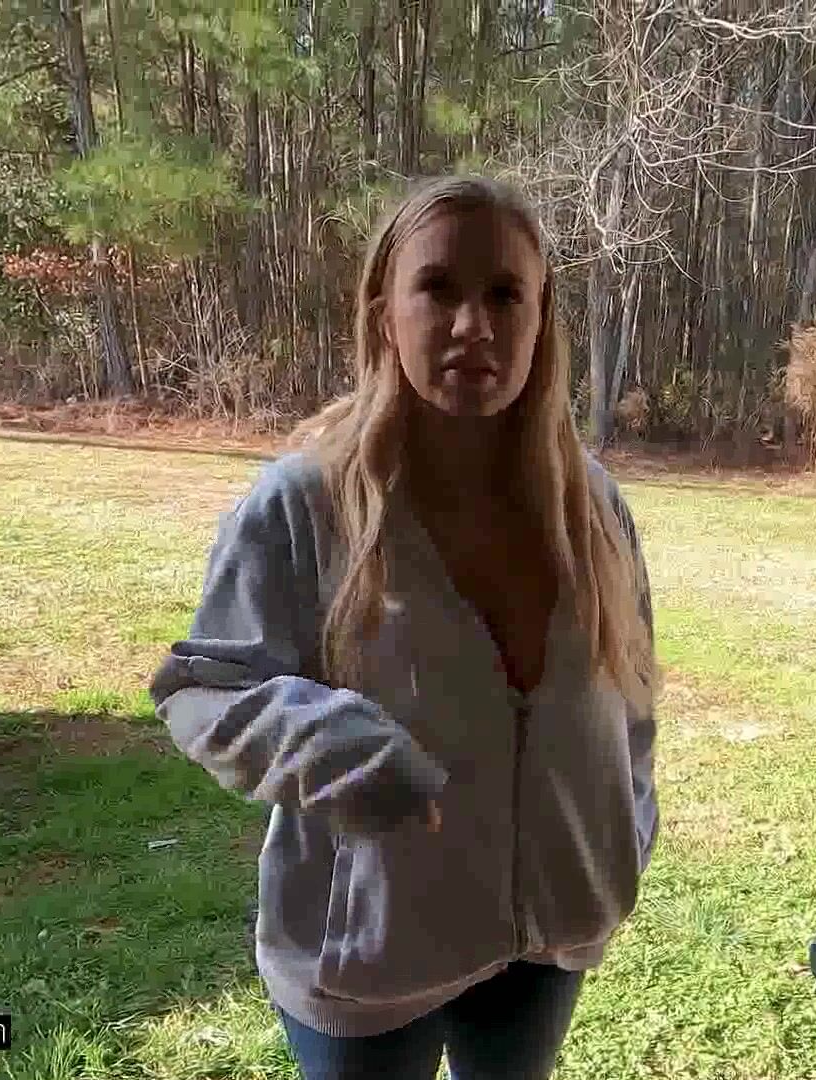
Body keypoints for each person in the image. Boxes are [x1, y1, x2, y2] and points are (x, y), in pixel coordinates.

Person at [149, 174, 659, 1080]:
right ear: (386, 314)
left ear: (542, 320)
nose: (474, 325)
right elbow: (200, 688)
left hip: (547, 945)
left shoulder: (592, 506)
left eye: (505, 294)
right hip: (369, 964)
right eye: (439, 289)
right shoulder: (304, 503)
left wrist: (622, 835)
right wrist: (325, 743)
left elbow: (631, 706)